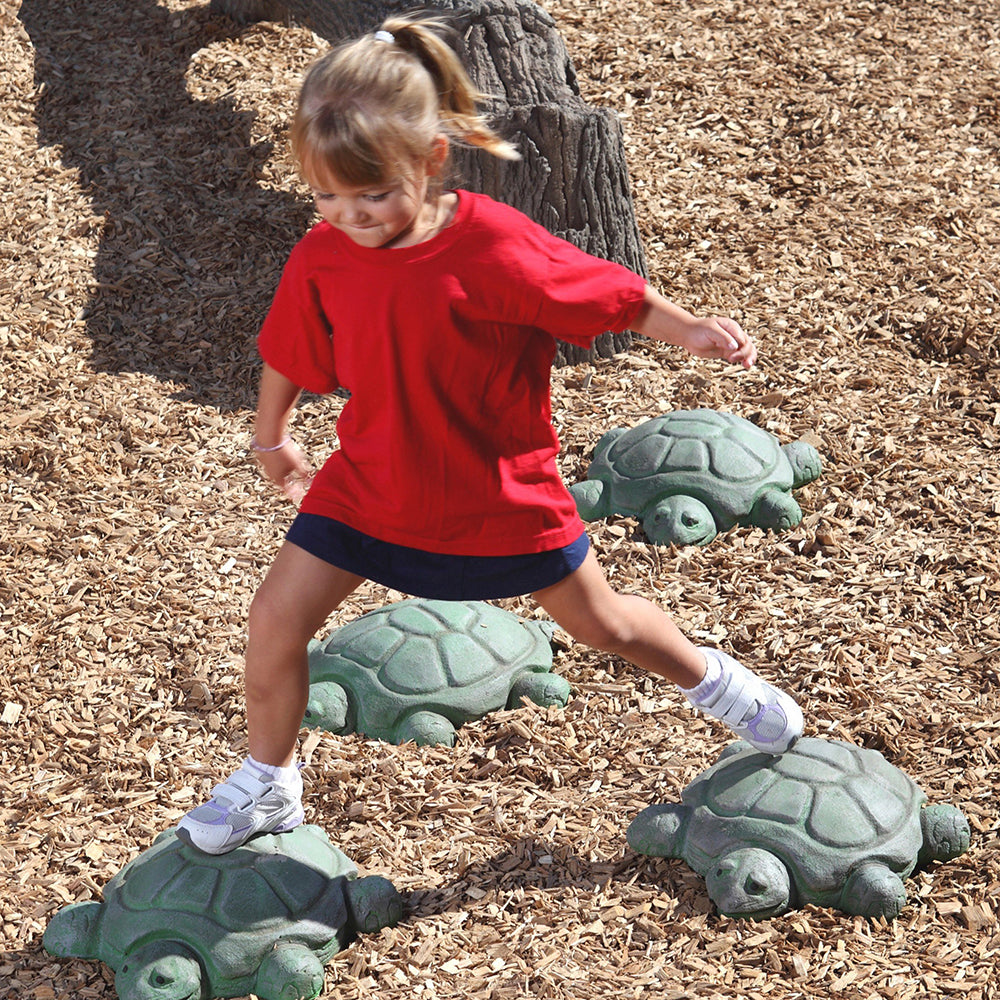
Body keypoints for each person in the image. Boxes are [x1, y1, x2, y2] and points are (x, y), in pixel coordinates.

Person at [177, 14, 803, 856]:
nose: (351, 215)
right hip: (370, 484)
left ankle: (716, 684)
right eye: (327, 196)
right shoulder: (325, 252)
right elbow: (289, 347)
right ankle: (268, 782)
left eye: (373, 195)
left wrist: (690, 329)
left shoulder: (493, 245)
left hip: (498, 492)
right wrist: (271, 437)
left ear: (431, 159)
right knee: (273, 622)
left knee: (605, 626)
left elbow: (607, 294)